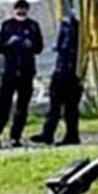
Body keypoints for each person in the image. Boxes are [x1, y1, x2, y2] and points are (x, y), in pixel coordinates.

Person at [0, 0, 43, 149]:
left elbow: (39, 47)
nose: (21, 11)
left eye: (23, 8)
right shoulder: (7, 25)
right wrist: (9, 43)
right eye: (18, 8)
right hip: (9, 72)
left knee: (22, 107)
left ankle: (15, 137)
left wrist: (29, 45)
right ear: (14, 10)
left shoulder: (33, 26)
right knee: (3, 106)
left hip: (26, 72)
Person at [31, 14, 82, 146]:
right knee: (59, 105)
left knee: (66, 105)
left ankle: (67, 134)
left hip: (69, 71)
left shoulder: (74, 27)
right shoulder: (68, 25)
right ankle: (51, 133)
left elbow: (66, 48)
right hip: (65, 69)